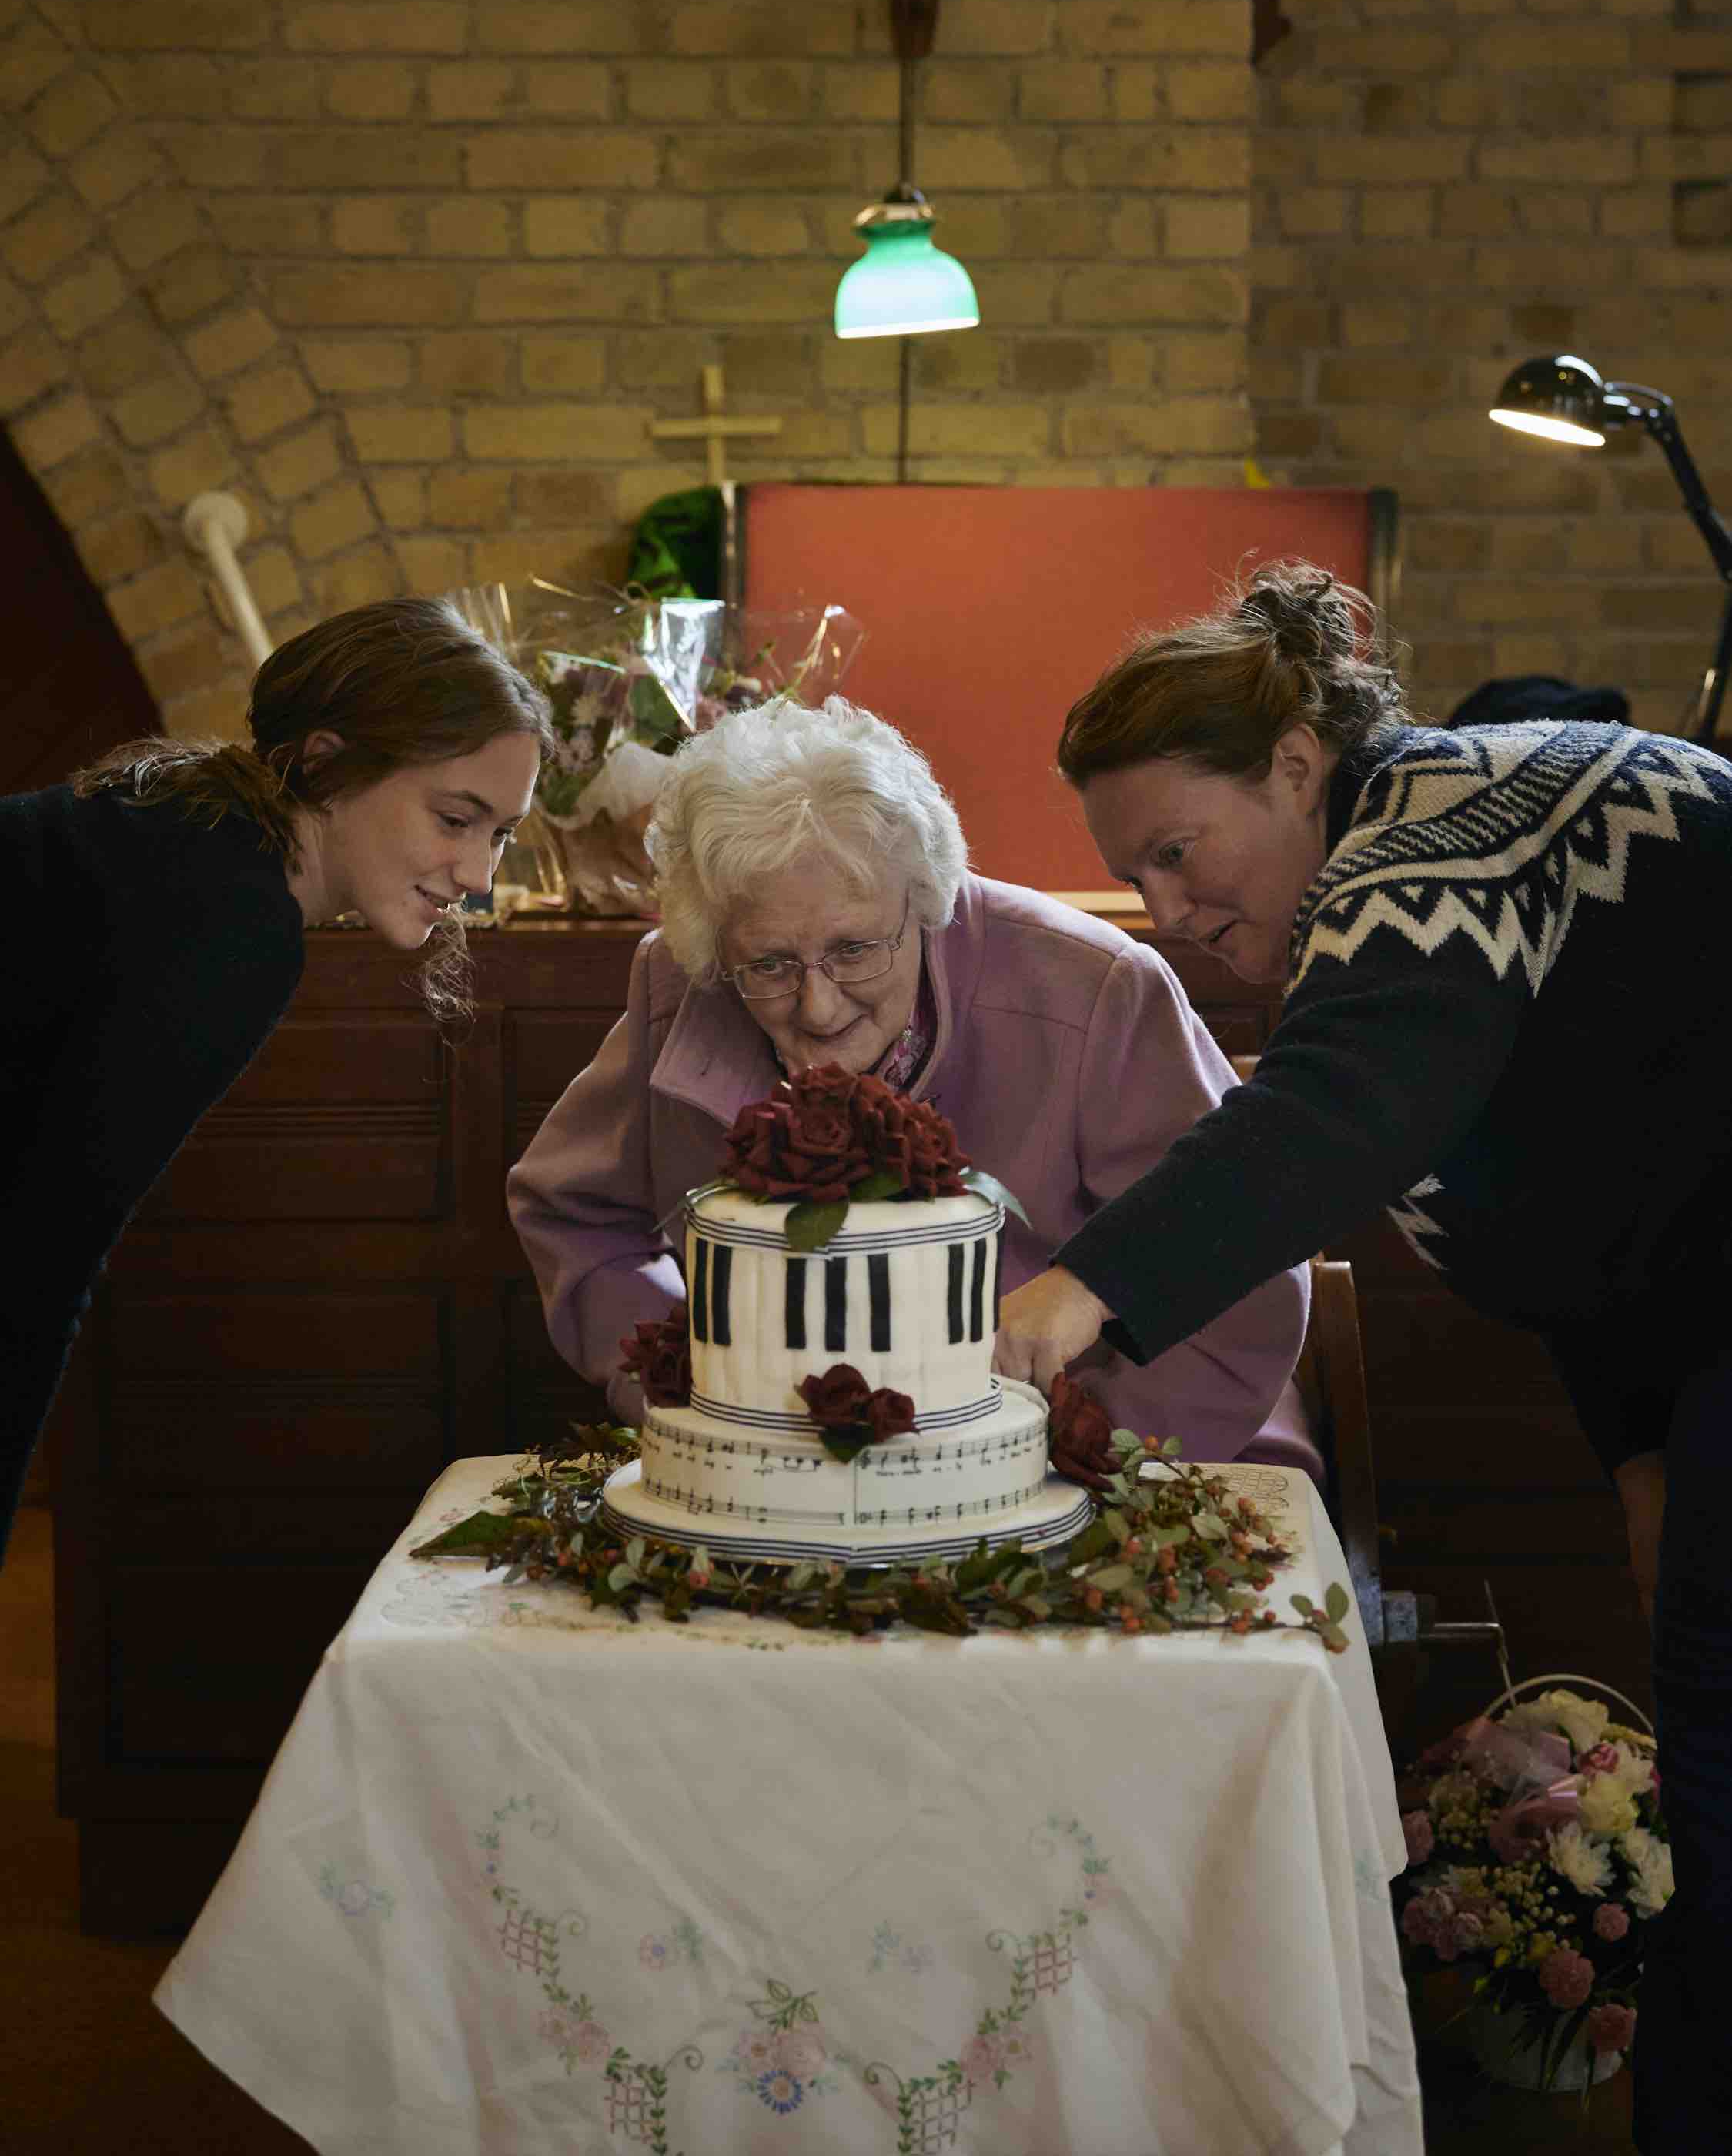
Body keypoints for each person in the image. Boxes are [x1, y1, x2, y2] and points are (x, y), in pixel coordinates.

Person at [993, 560, 1732, 2156]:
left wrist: (1073, 1296)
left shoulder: (1435, 837)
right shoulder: (1410, 897)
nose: (1169, 915)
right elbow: (1612, 1217)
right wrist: (1637, 1461)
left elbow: (1333, 1114)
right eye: (1133, 879)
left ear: (1299, 769)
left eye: (1178, 855)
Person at [507, 694, 1312, 1472]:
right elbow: (573, 1211)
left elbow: (1247, 1267)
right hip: (776, 1483)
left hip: (1106, 1466)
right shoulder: (683, 981)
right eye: (770, 964)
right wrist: (688, 1386)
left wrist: (1077, 1442)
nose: (818, 1006)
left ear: (925, 902)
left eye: (856, 949)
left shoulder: (1098, 987)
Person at [1, 594, 550, 1566]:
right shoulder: (234, 924)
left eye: (502, 834)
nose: (478, 875)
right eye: (455, 818)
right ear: (326, 760)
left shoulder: (190, 825)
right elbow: (42, 1247)